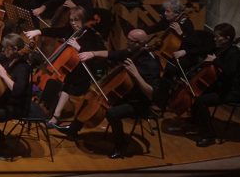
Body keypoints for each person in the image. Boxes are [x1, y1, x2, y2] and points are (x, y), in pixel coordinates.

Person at [51, 29, 162, 158]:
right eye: (128, 39)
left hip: (139, 103)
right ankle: (73, 129)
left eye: (130, 41)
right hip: (125, 95)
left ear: (140, 43)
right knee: (91, 97)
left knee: (112, 113)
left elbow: (152, 94)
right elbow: (112, 54)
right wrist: (92, 53)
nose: (127, 43)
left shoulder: (151, 64)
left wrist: (136, 74)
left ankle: (120, 148)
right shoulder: (132, 52)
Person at [0, 34, 42, 162]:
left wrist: (4, 75)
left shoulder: (23, 67)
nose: (3, 51)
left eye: (6, 48)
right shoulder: (10, 59)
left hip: (17, 105)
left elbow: (18, 91)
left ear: (14, 49)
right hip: (6, 100)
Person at [190, 23, 240, 148]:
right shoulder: (223, 50)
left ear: (227, 38)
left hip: (231, 91)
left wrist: (215, 61)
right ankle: (197, 124)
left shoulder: (233, 54)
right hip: (221, 86)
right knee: (196, 93)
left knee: (201, 100)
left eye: (217, 37)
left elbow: (230, 73)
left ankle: (209, 136)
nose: (214, 39)